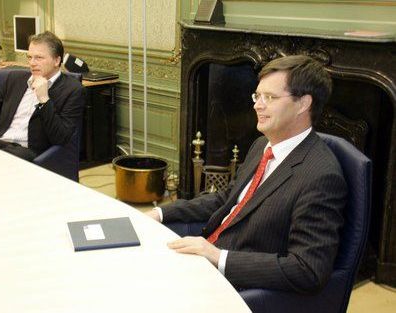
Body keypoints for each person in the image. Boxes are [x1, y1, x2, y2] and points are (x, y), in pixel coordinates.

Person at [145, 55, 347, 294]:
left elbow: (307, 270)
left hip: (235, 286)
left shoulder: (321, 176)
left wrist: (218, 257)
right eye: (257, 96)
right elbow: (227, 199)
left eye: (269, 98)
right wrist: (159, 213)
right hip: (205, 254)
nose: (257, 105)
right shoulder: (263, 144)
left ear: (303, 104)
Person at [0, 31, 85, 161]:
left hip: (27, 151)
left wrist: (44, 100)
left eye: (39, 58)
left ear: (57, 60)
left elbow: (60, 137)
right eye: (29, 57)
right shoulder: (16, 79)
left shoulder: (72, 90)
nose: (32, 63)